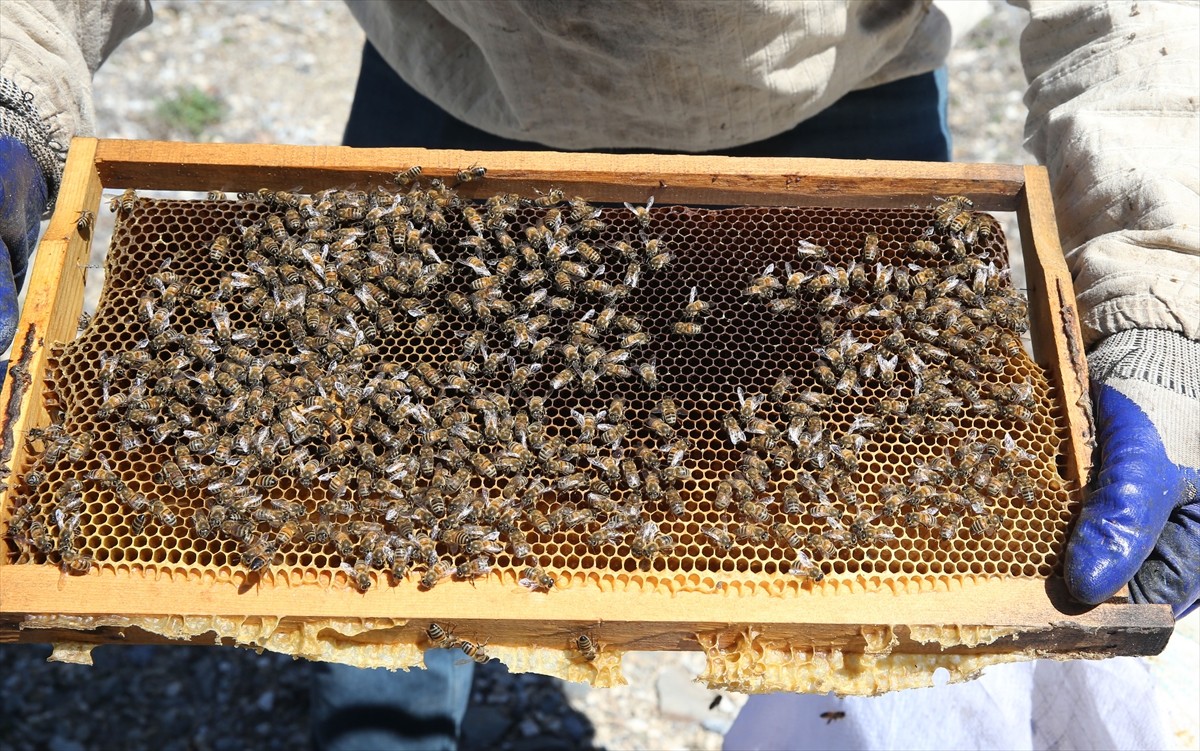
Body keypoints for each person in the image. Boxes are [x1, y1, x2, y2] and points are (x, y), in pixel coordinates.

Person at [1, 1, 1196, 748]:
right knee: (369, 529)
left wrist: (1163, 301)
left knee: (892, 628)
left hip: (839, 114)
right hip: (452, 96)